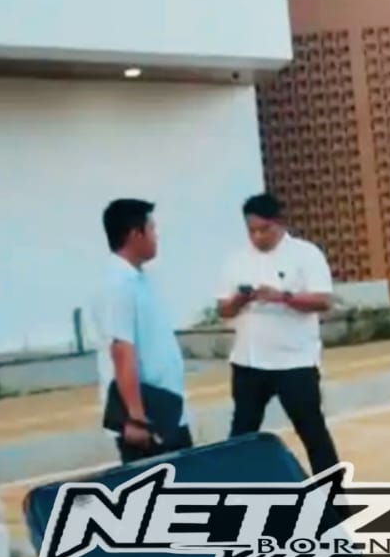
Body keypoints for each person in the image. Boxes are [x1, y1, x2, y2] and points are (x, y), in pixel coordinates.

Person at [217, 193, 341, 476]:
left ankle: (333, 495)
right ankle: (233, 491)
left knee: (312, 432)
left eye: (265, 229)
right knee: (241, 434)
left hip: (294, 361)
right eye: (252, 231)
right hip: (248, 361)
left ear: (280, 223)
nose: (258, 237)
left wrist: (282, 297)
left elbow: (323, 301)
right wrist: (239, 299)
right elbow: (223, 309)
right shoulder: (236, 260)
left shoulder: (306, 254)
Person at [91, 199, 193, 464]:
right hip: (148, 417)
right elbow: (121, 351)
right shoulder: (117, 285)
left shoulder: (140, 279)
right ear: (136, 234)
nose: (156, 236)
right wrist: (136, 418)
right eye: (151, 229)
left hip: (167, 410)